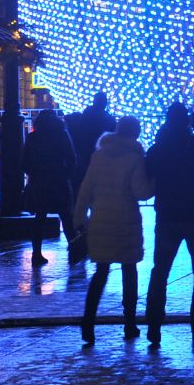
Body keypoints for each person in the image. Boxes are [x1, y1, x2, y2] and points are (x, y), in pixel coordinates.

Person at [143, 104, 194, 347]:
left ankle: (154, 326)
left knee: (160, 271)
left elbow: (148, 174)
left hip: (167, 216)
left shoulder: (158, 148)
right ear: (186, 121)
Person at [74, 115, 151, 345]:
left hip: (101, 220)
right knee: (129, 271)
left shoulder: (99, 155)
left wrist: (79, 218)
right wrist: (155, 181)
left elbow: (86, 189)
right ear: (135, 133)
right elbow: (141, 192)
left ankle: (88, 323)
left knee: (100, 273)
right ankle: (129, 324)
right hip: (126, 221)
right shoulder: (135, 157)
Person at [21, 103, 79, 267]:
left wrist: (33, 173)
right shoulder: (61, 134)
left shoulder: (33, 137)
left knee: (39, 218)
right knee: (66, 217)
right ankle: (74, 248)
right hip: (59, 180)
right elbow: (72, 157)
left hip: (39, 182)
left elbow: (24, 162)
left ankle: (36, 253)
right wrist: (67, 174)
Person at [67, 91, 117, 186]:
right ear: (105, 103)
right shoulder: (109, 119)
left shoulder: (85, 116)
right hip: (103, 156)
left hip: (85, 154)